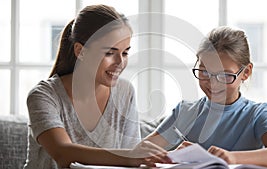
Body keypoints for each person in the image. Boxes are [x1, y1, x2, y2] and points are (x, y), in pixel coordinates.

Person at [24, 4, 170, 169]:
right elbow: (63, 153)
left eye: (125, 53)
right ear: (80, 51)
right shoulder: (44, 95)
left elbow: (131, 159)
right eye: (109, 53)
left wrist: (169, 159)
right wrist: (131, 157)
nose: (120, 63)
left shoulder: (125, 92)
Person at [145, 26, 267, 168]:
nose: (213, 83)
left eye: (224, 75)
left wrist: (232, 157)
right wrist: (169, 156)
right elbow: (142, 151)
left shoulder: (258, 114)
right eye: (204, 72)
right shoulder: (185, 111)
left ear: (246, 72)